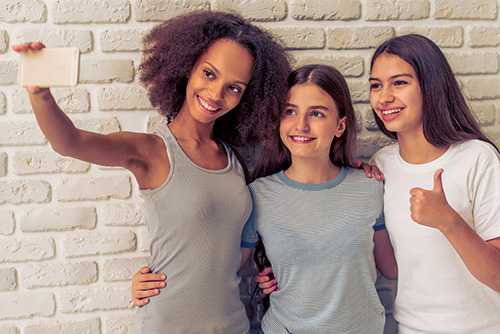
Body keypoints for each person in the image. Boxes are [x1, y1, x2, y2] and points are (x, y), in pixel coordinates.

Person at [14, 10, 291, 334]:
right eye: (209, 74)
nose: (216, 94)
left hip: (233, 324)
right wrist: (40, 94)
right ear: (187, 68)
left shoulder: (235, 159)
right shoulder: (152, 151)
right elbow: (70, 142)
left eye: (234, 88)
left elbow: (231, 251)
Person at [132, 64, 397, 333]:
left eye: (316, 113)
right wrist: (157, 282)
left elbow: (392, 269)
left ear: (340, 125)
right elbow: (220, 270)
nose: (301, 125)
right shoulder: (258, 195)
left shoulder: (368, 187)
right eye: (290, 111)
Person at [368, 34, 500, 334]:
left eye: (399, 83)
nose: (384, 97)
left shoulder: (478, 158)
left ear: (431, 85)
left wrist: (448, 221)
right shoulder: (380, 166)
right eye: (376, 85)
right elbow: (392, 268)